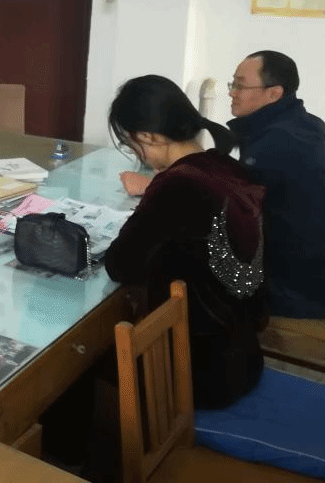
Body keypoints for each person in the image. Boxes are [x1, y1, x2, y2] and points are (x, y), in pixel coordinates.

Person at [104, 75, 266, 409]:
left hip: (198, 375)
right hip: (244, 356)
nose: (135, 152)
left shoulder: (176, 185)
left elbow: (121, 265)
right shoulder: (226, 166)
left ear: (148, 136)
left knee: (89, 361)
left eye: (131, 143)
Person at [226, 50, 325, 319]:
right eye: (233, 83)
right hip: (324, 276)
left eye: (240, 86)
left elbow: (226, 202)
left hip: (300, 291)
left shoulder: (276, 142)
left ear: (274, 94)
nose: (231, 93)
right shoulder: (305, 124)